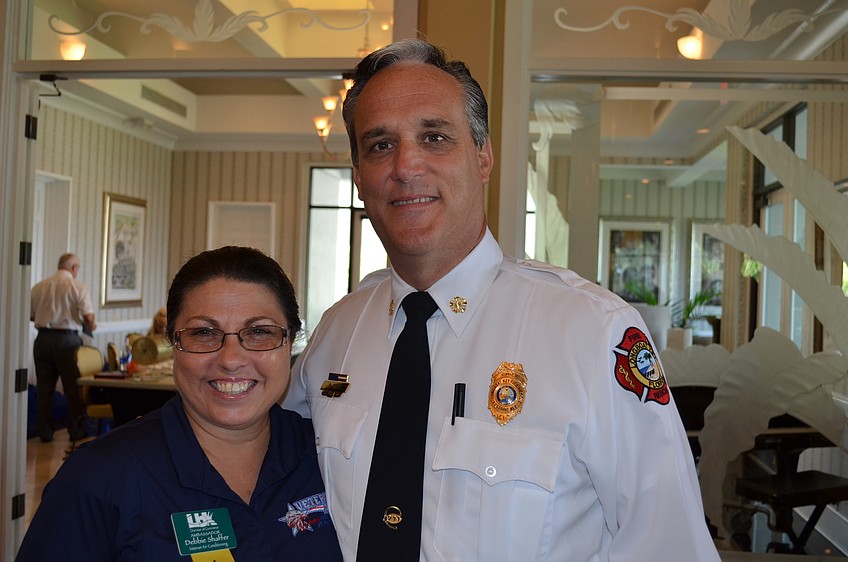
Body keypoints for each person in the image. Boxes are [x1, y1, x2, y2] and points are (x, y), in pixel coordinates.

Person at [283, 39, 720, 561]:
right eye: (380, 145)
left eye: (435, 137)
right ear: (358, 178)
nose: (407, 165)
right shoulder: (336, 334)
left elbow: (669, 547)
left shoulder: (592, 332)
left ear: (483, 157)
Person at [18, 246, 343, 561]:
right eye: (203, 333)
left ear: (292, 342)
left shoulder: (328, 457)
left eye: (259, 331)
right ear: (173, 343)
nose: (231, 360)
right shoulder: (98, 480)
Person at [30, 252, 97, 443]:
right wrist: (91, 326)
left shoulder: (39, 287)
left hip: (42, 340)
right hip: (68, 342)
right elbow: (88, 317)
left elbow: (31, 315)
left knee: (44, 390)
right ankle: (75, 431)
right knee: (72, 388)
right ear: (74, 268)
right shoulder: (78, 287)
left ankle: (45, 432)